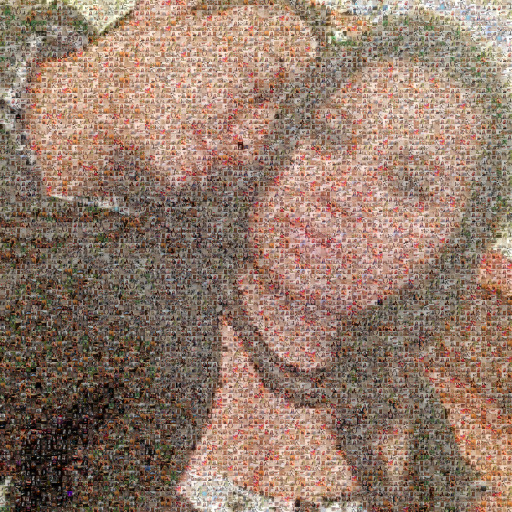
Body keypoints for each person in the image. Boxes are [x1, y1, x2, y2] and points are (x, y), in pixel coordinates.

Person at [25, 0, 512, 511]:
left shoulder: (413, 420)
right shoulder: (106, 301)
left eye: (407, 185)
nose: (341, 192)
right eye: (329, 136)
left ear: (453, 249)